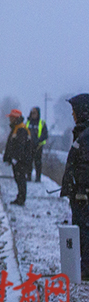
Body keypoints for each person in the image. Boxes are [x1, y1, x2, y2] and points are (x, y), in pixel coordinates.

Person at [60, 94, 89, 281]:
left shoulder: (86, 136)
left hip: (82, 195)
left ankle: (86, 268)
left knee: (84, 230)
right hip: (80, 193)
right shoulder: (83, 133)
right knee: (82, 229)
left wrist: (81, 191)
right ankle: (84, 266)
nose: (72, 114)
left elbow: (85, 166)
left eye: (74, 110)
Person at [3, 108, 32, 206]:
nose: (10, 119)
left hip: (21, 161)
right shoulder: (17, 128)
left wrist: (16, 158)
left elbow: (20, 146)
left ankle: (21, 198)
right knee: (18, 178)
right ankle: (20, 197)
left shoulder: (21, 129)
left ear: (16, 118)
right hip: (20, 160)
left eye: (11, 117)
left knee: (20, 179)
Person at [27, 107, 48, 182]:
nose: (33, 114)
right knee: (28, 161)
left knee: (37, 162)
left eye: (34, 113)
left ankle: (38, 178)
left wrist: (38, 141)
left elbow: (45, 135)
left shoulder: (41, 123)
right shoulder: (28, 122)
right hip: (29, 146)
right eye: (32, 113)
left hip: (38, 146)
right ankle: (28, 176)